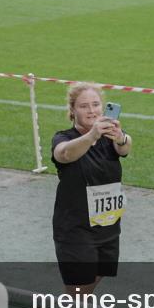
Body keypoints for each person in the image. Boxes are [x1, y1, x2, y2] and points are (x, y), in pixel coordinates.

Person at [51, 82, 132, 295]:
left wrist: (121, 137)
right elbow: (64, 154)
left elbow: (125, 148)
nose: (91, 110)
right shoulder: (64, 138)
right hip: (76, 229)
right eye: (84, 106)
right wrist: (91, 136)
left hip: (107, 224)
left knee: (92, 281)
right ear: (72, 111)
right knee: (78, 290)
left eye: (96, 104)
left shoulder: (109, 136)